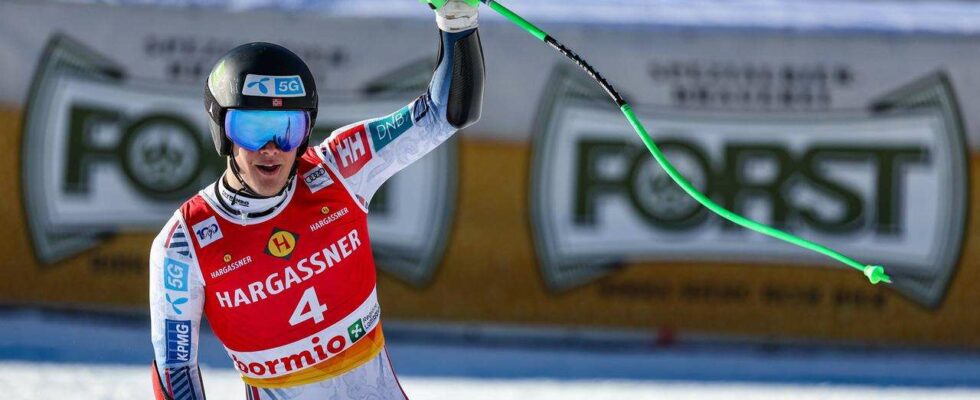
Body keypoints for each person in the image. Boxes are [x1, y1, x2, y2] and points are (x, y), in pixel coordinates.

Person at [149, 2, 483, 399]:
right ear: (222, 132)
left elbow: (443, 114)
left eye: (289, 128)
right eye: (253, 128)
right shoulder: (183, 244)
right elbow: (175, 369)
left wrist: (458, 19)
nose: (272, 148)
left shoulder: (340, 167)